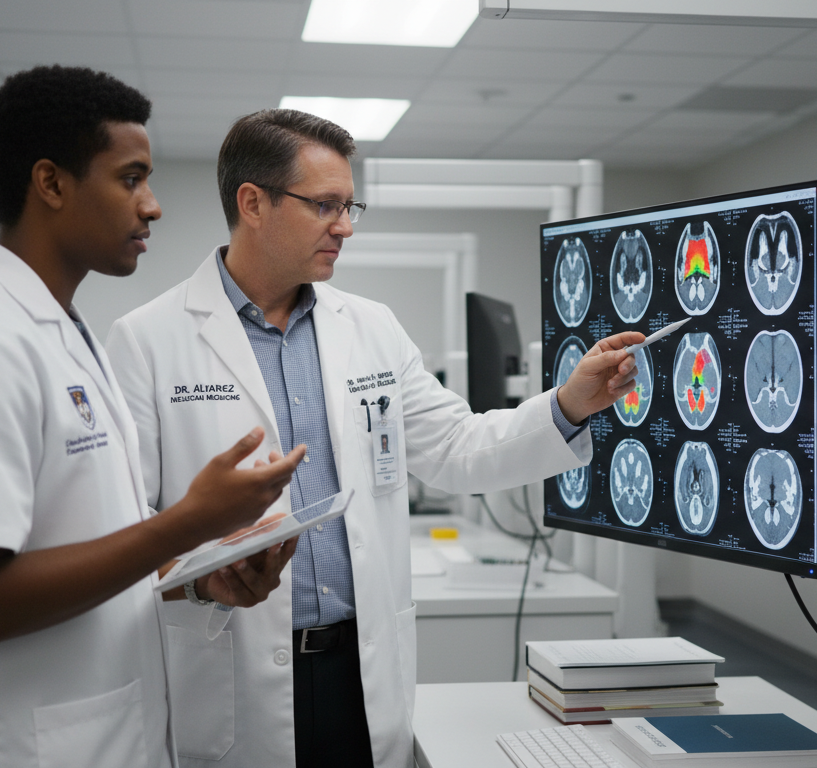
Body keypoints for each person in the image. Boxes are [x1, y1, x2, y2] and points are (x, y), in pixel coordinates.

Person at [105, 108, 644, 768]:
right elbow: (123, 537)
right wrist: (199, 574)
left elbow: (455, 446)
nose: (346, 226)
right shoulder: (148, 340)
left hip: (359, 673)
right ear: (253, 203)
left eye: (350, 204)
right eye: (325, 205)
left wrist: (568, 404)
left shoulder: (372, 328)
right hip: (230, 670)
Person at [0, 67, 302, 768]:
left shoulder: (67, 335)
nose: (153, 206)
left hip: (101, 735)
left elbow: (92, 542)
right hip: (19, 745)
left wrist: (200, 573)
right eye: (131, 178)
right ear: (51, 184)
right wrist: (188, 522)